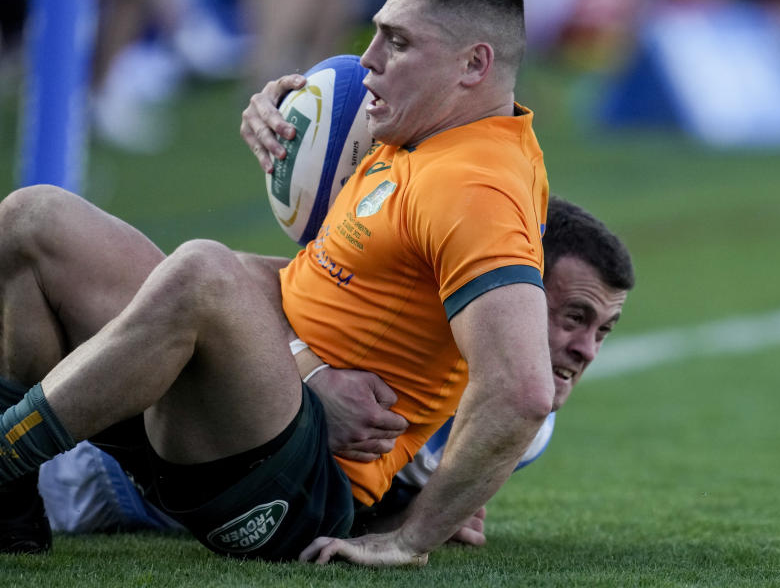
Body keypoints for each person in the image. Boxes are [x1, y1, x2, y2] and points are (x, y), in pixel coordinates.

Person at [0, 0, 551, 567]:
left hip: (299, 487)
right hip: (250, 418)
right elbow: (301, 282)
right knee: (34, 217)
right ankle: (11, 512)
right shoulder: (417, 135)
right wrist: (295, 123)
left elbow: (522, 389)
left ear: (473, 64)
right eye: (375, 32)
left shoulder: (479, 187)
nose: (368, 58)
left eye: (397, 42)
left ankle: (4, 451)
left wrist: (410, 538)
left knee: (204, 270)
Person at [35, 196, 634, 546]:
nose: (585, 350)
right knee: (38, 218)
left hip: (160, 491)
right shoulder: (416, 307)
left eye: (601, 331)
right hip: (100, 444)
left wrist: (414, 521)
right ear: (513, 292)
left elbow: (363, 499)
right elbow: (235, 280)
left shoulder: (522, 429)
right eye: (573, 318)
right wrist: (308, 370)